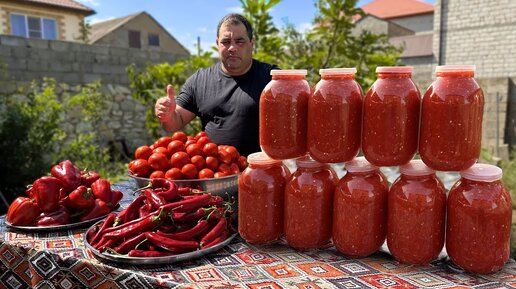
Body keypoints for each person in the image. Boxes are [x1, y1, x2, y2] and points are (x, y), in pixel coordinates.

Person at [154, 13, 278, 156]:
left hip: (261, 173)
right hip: (214, 174)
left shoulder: (272, 78)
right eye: (225, 42)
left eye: (240, 41)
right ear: (217, 44)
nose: (232, 47)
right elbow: (176, 122)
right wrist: (168, 115)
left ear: (252, 43)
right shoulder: (199, 80)